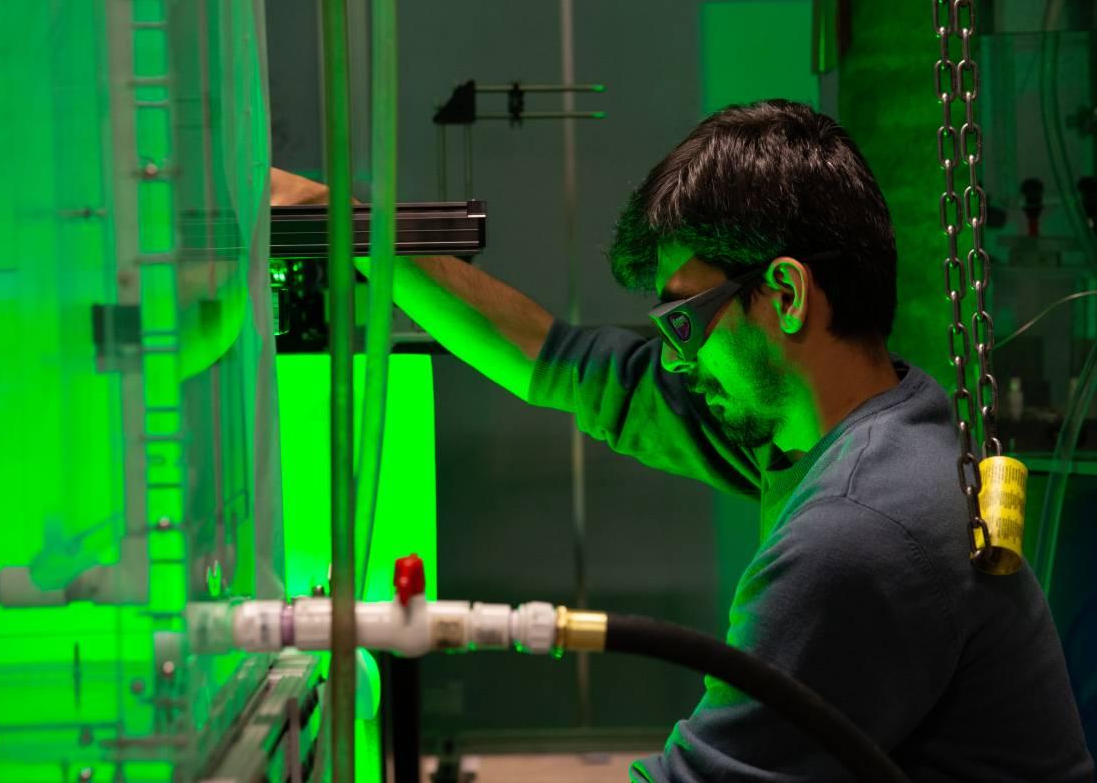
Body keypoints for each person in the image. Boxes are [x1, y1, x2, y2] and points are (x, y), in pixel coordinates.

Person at [271, 100, 1094, 782]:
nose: (671, 356)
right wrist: (331, 218)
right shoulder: (854, 427)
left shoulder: (860, 530)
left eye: (683, 320)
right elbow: (560, 363)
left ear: (785, 294)